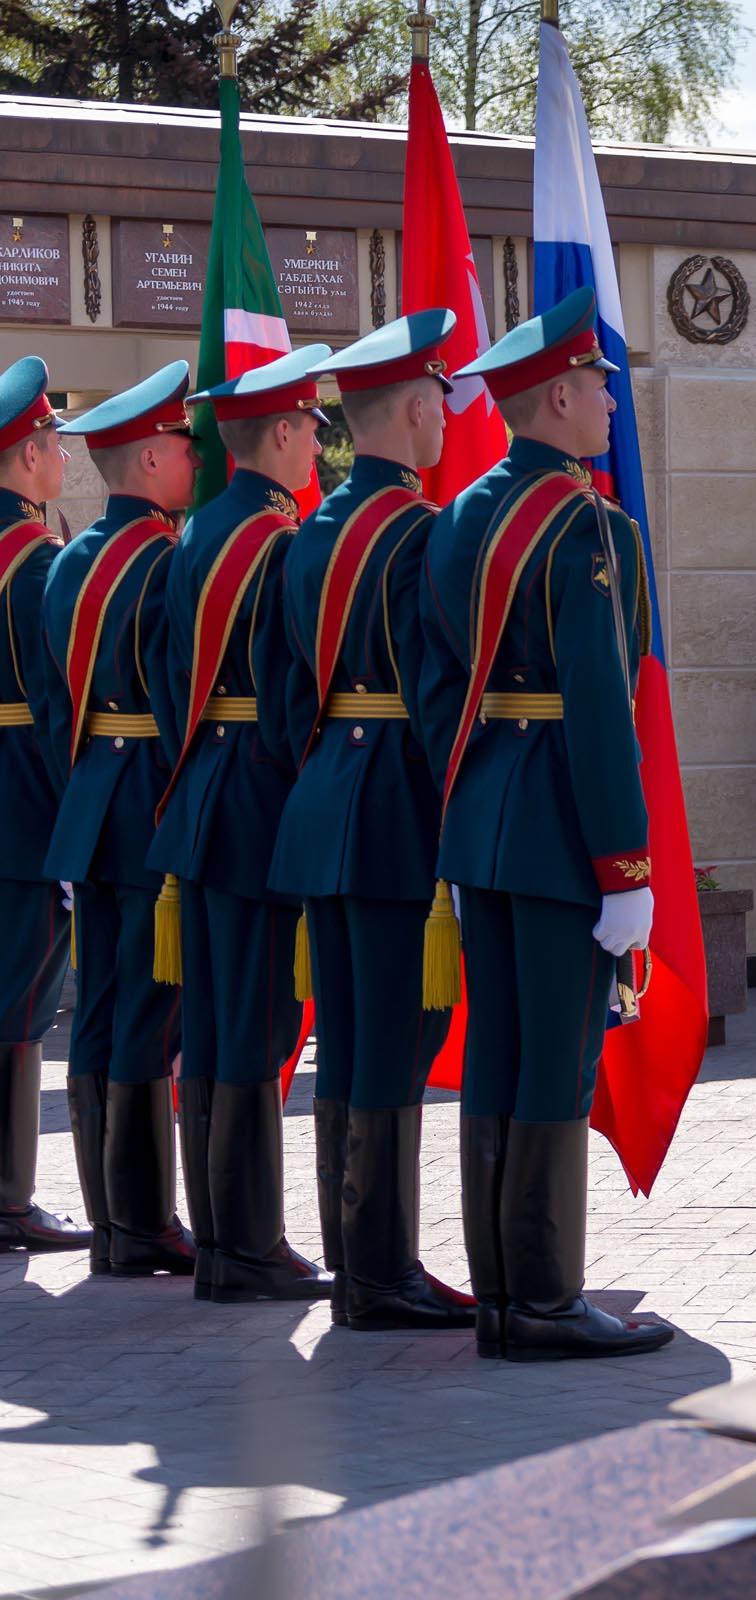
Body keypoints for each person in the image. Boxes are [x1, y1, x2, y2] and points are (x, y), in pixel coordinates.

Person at [421, 286, 673, 1361]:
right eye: (602, 388)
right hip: (564, 825)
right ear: (559, 394)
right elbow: (598, 708)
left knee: (503, 1055)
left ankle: (499, 1294)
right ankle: (547, 1299)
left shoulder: (463, 513)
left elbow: (440, 691)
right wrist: (627, 865)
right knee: (558, 1061)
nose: (612, 405)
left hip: (485, 817)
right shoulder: (586, 526)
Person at [270, 313, 476, 1329]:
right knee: (394, 1037)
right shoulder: (424, 532)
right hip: (396, 804)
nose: (447, 419)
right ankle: (383, 1271)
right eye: (440, 399)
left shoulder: (306, 534)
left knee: (346, 1041)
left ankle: (358, 1264)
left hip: (323, 805)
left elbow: (279, 696)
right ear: (413, 407)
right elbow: (440, 696)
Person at [152, 344, 336, 1306]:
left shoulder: (197, 531)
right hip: (257, 796)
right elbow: (289, 692)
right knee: (257, 1022)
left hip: (201, 794)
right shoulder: (274, 537)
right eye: (309, 425)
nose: (317, 442)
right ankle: (250, 1243)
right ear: (278, 432)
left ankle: (224, 1237)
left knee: (219, 1022)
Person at [44, 363, 199, 1280]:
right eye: (182, 445)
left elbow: (55, 699)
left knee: (99, 1006)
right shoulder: (167, 562)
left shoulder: (66, 562)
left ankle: (113, 1221)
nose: (192, 458)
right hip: (146, 801)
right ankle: (143, 1222)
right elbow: (179, 699)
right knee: (147, 1009)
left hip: (89, 801)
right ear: (148, 456)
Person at [0, 357, 86, 1255]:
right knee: (19, 1003)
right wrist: (74, 824)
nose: (61, 453)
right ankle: (8, 1195)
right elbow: (53, 706)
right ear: (31, 454)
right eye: (56, 440)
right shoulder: (34, 564)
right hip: (20, 804)